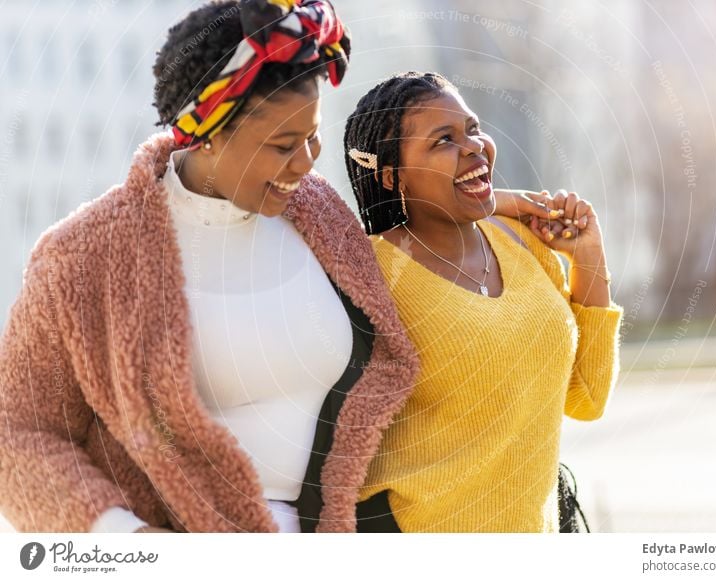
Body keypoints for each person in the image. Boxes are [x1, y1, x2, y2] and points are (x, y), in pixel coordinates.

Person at [0, 0, 424, 533]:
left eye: (313, 136)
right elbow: (18, 432)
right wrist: (130, 540)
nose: (307, 161)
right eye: (282, 145)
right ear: (208, 134)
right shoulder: (82, 259)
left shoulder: (319, 214)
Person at [343, 71, 624, 532]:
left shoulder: (524, 245)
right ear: (393, 176)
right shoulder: (370, 273)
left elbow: (587, 398)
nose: (473, 146)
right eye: (443, 140)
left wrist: (588, 255)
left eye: (472, 129)